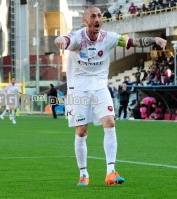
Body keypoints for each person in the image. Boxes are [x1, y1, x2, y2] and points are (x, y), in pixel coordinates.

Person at [54, 7, 167, 186]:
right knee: (82, 131)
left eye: (99, 16)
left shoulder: (109, 38)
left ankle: (111, 172)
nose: (97, 19)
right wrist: (60, 39)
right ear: (85, 21)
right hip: (78, 89)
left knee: (110, 122)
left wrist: (154, 39)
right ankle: (83, 173)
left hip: (99, 87)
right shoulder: (77, 38)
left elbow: (132, 41)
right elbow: (66, 39)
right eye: (93, 16)